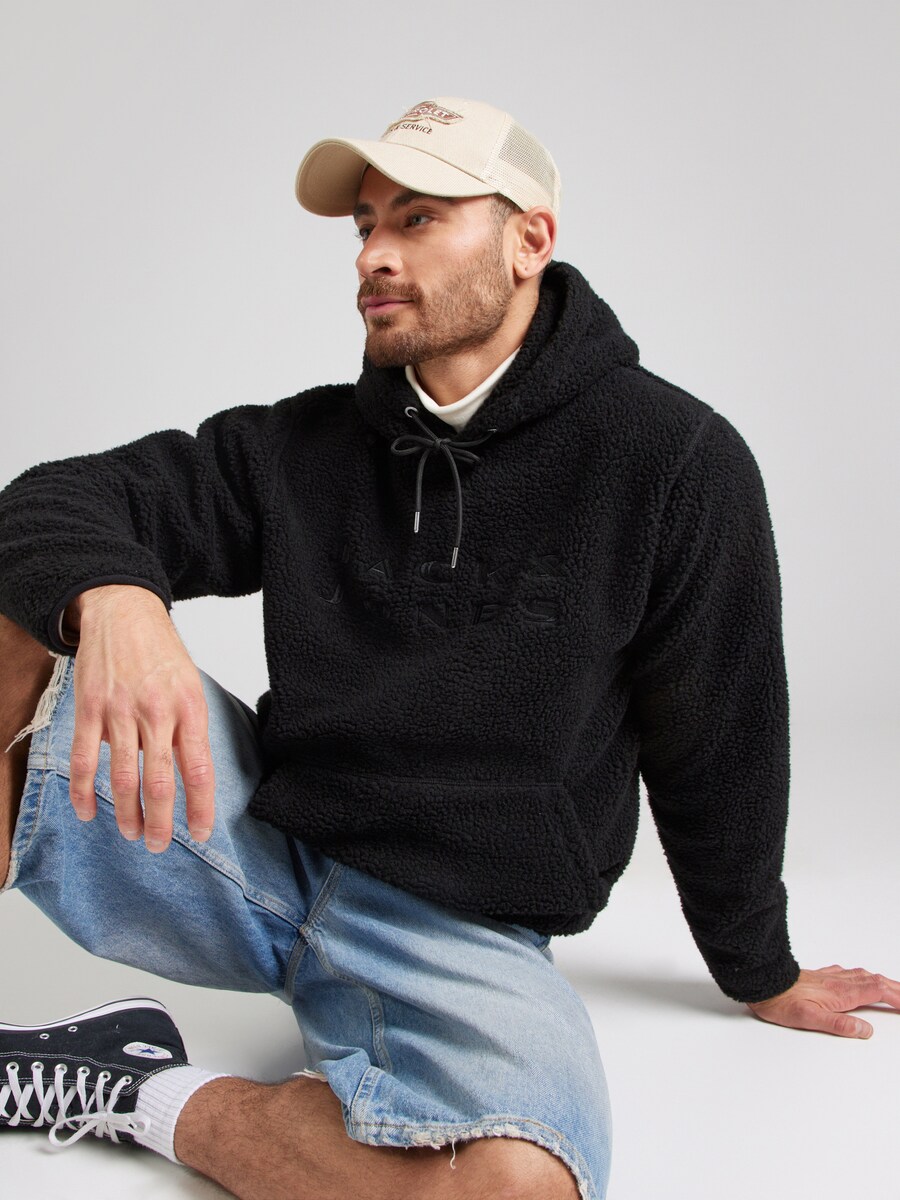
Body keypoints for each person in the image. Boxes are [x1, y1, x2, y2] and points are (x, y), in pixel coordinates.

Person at [0, 96, 896, 1200]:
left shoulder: (672, 461)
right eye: (366, 225)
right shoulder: (304, 442)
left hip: (457, 928)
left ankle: (134, 1088)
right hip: (254, 845)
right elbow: (51, 503)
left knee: (516, 1189)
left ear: (531, 240)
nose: (373, 255)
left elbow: (721, 738)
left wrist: (759, 965)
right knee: (21, 607)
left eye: (418, 219)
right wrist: (116, 599)